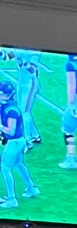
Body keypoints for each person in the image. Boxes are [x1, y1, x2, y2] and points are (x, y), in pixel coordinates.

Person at [0, 77, 39, 208]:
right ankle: (31, 188)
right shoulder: (7, 106)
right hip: (18, 142)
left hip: (14, 142)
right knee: (19, 164)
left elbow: (10, 131)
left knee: (5, 168)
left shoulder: (11, 110)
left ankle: (11, 199)